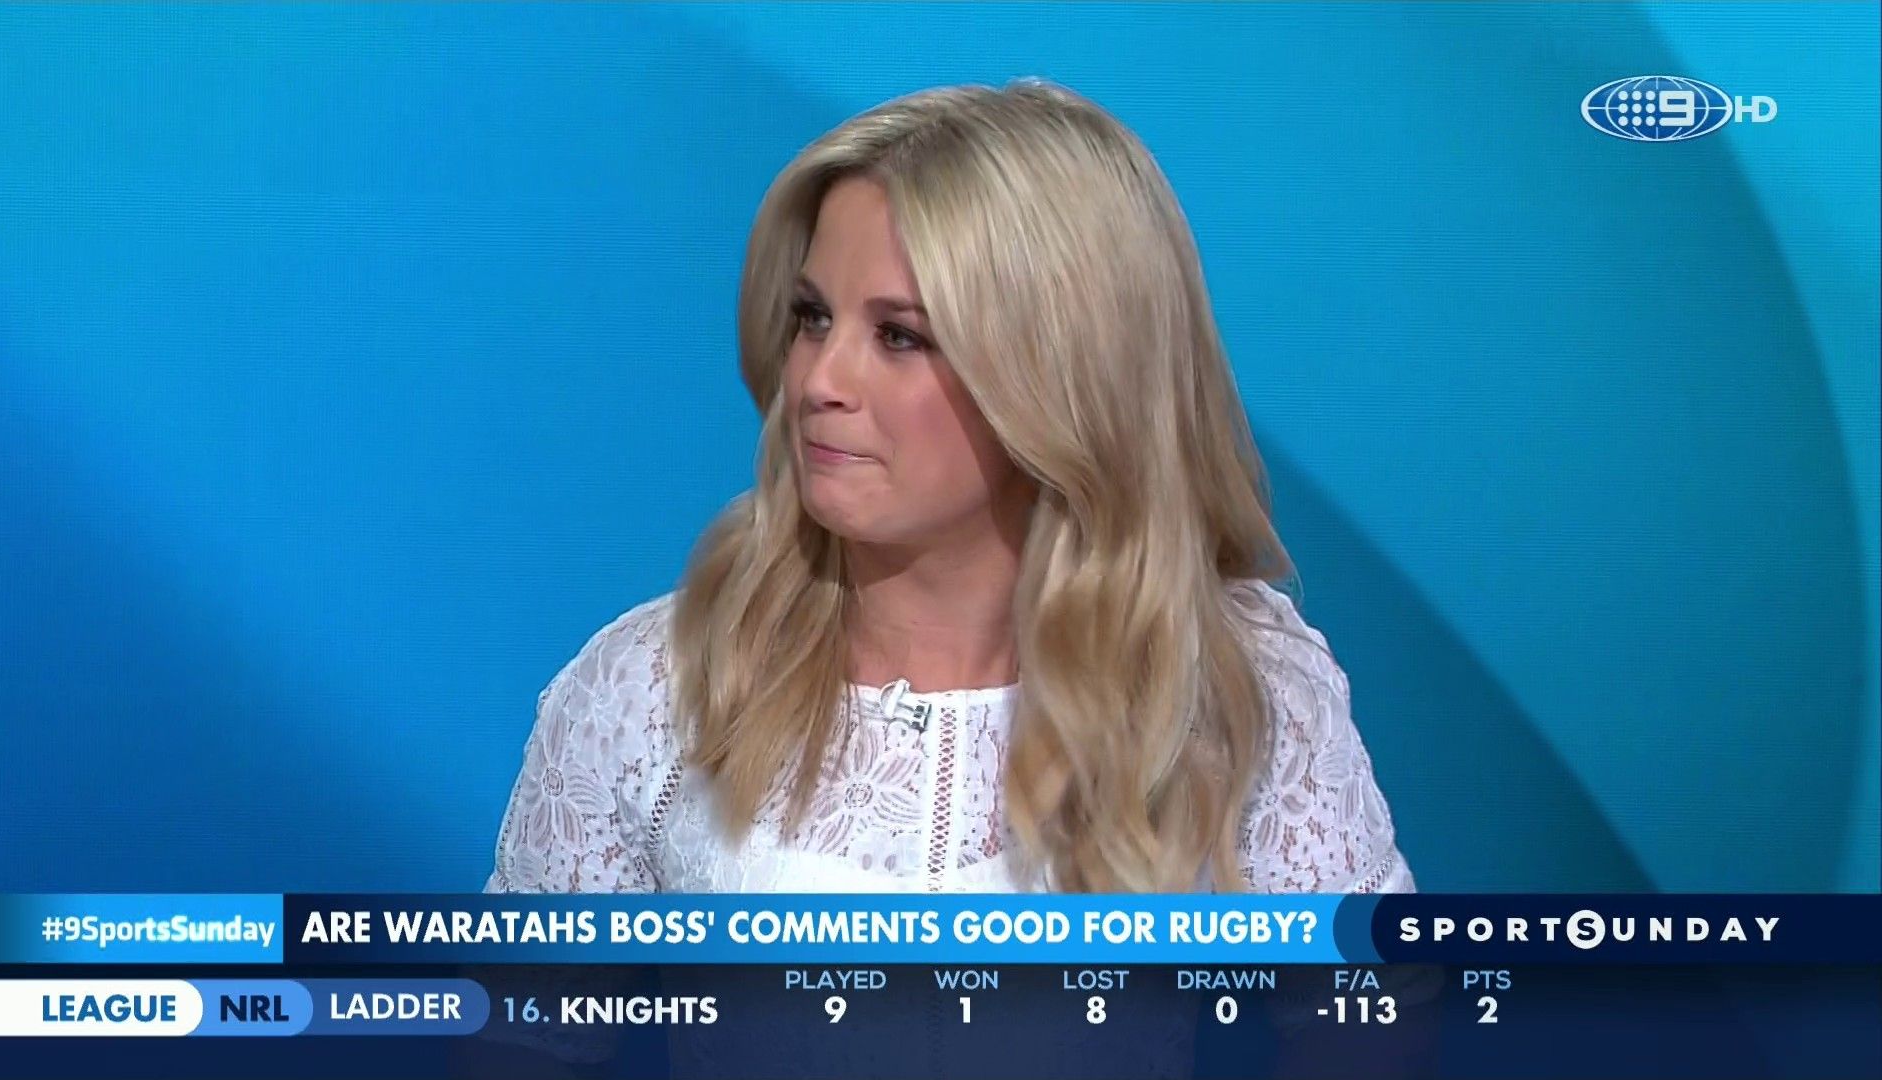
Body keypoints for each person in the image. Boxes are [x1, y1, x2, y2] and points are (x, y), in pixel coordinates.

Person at [485, 77, 1413, 900]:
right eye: (812, 317)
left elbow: (1373, 1013)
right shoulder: (656, 691)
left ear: (1062, 378)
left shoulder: (1237, 687)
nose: (819, 381)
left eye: (900, 336)